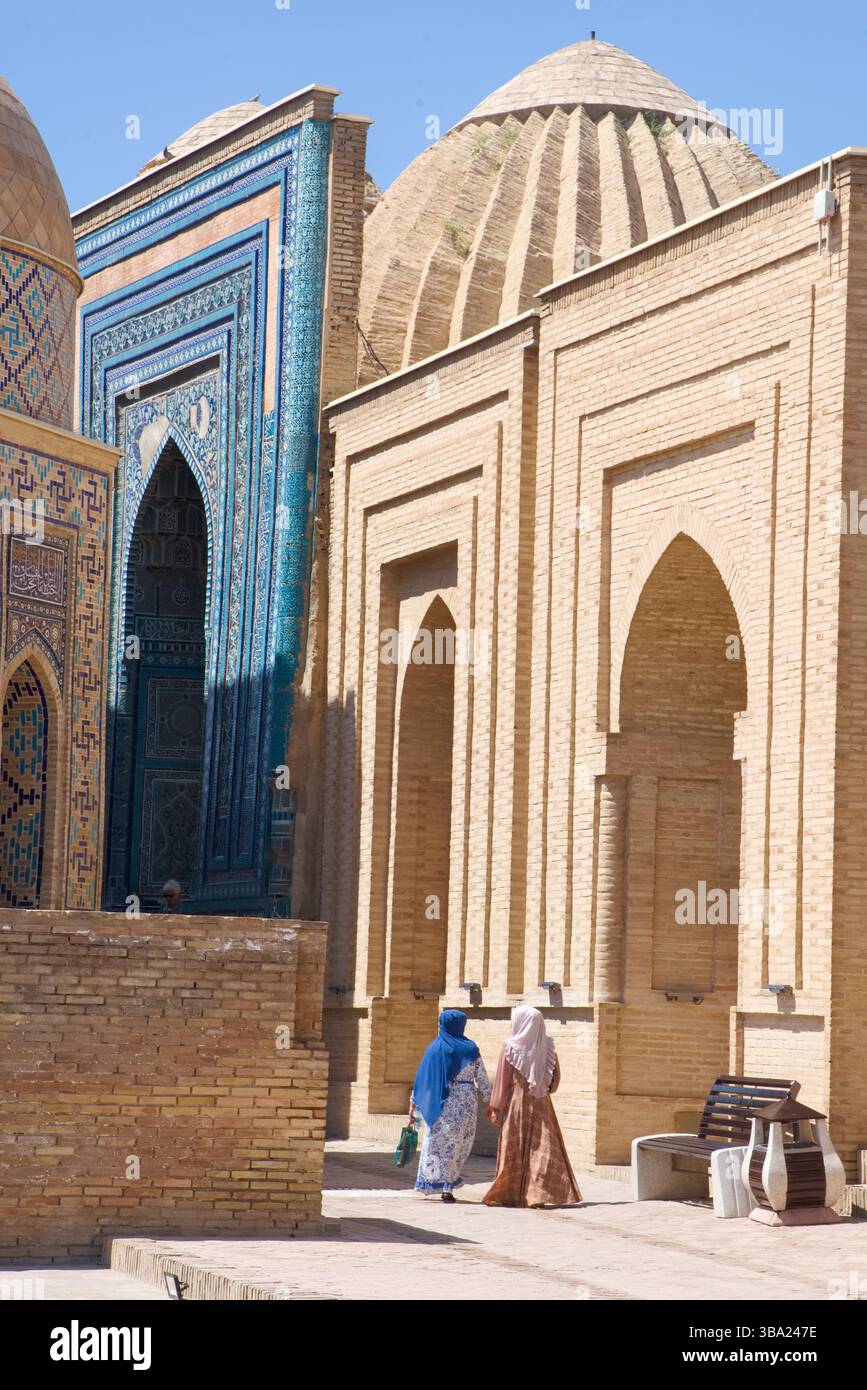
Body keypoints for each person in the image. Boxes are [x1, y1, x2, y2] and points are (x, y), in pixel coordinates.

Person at [483, 1004, 581, 1208]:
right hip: (542, 1105)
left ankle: (507, 1193)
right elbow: (554, 1082)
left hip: (517, 1106)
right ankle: (537, 1195)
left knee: (514, 1148)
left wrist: (496, 1106)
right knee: (542, 1149)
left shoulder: (510, 1047)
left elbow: (502, 1080)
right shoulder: (548, 1047)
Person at [410, 1009, 491, 1202]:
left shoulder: (435, 1048)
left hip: (440, 1103)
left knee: (435, 1143)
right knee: (458, 1144)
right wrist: (491, 1101)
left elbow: (423, 1078)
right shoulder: (470, 1049)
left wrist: (414, 1102)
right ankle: (448, 1186)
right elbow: (482, 1078)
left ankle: (430, 1182)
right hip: (465, 1103)